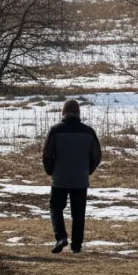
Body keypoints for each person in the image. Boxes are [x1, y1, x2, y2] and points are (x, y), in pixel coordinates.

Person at [42, 99, 103, 254]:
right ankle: (76, 246)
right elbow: (96, 155)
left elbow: (47, 155)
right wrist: (87, 170)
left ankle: (61, 237)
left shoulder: (55, 131)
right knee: (78, 212)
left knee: (55, 207)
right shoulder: (89, 132)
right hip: (80, 179)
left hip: (59, 178)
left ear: (63, 113)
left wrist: (51, 171)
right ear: (79, 113)